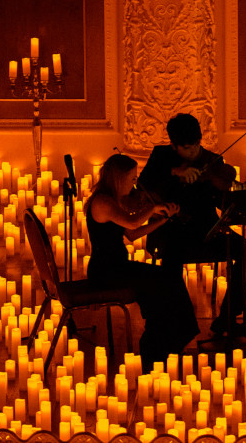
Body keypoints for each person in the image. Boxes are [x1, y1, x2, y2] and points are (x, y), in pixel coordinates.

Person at [139, 113, 246, 336]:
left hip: (207, 230)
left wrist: (221, 185)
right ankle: (176, 320)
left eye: (196, 145)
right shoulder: (161, 157)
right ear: (174, 145)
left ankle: (227, 317)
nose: (194, 152)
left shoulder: (212, 161)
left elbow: (222, 192)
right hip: (170, 230)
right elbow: (144, 184)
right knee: (171, 261)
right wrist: (175, 172)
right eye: (187, 148)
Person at [86, 153, 199, 366]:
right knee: (159, 285)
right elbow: (133, 223)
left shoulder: (114, 201)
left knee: (170, 277)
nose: (135, 183)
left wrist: (164, 220)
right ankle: (156, 346)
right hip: (106, 271)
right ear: (119, 178)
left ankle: (178, 334)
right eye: (132, 178)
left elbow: (131, 234)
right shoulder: (102, 202)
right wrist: (153, 208)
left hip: (119, 267)